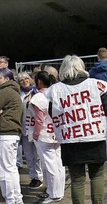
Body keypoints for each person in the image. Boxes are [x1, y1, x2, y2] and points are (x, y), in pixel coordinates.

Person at [45, 55, 107, 204]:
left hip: (70, 139)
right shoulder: (95, 85)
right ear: (81, 67)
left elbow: (52, 113)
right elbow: (106, 108)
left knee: (77, 179)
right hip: (94, 136)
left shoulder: (54, 90)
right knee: (97, 175)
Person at [0, 68, 23, 204]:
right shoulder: (14, 92)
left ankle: (10, 199)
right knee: (12, 168)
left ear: (7, 79)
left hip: (5, 133)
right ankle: (16, 198)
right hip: (13, 133)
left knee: (6, 169)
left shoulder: (5, 91)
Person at [31, 71, 65, 203]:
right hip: (57, 133)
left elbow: (39, 120)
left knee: (50, 166)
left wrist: (35, 134)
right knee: (58, 164)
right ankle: (59, 191)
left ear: (39, 81)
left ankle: (54, 193)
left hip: (44, 135)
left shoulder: (38, 97)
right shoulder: (56, 93)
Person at [16, 72, 43, 189]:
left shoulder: (36, 91)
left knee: (37, 154)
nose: (24, 81)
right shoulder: (19, 93)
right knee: (28, 155)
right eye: (21, 80)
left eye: (26, 78)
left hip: (34, 127)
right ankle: (33, 177)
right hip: (24, 128)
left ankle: (40, 177)